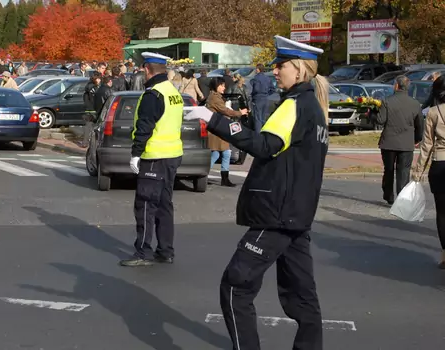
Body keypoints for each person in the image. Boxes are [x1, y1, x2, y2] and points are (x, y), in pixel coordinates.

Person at [185, 35, 329, 349]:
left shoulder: (293, 105)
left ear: (300, 70)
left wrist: (215, 119)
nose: (275, 71)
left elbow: (265, 146)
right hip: (296, 216)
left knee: (235, 287)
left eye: (282, 65)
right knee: (302, 298)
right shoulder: (315, 110)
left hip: (276, 216)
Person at [120, 52, 184, 267]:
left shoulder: (153, 94)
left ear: (147, 69)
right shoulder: (172, 91)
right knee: (165, 205)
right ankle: (166, 251)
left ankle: (143, 252)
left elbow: (144, 126)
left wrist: (136, 153)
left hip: (154, 156)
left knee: (146, 205)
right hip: (172, 155)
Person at [374, 75, 425, 205]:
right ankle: (402, 198)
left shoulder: (387, 101)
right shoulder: (415, 104)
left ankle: (388, 195)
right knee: (404, 171)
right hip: (407, 143)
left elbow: (381, 121)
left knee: (389, 169)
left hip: (389, 141)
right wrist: (417, 138)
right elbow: (420, 124)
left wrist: (373, 112)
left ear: (396, 85)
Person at [412, 76, 445, 268]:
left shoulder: (433, 112)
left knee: (442, 213)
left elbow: (426, 146)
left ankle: (444, 254)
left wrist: (418, 172)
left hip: (440, 165)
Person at [206, 77, 248, 187]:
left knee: (215, 154)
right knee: (226, 153)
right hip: (217, 129)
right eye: (222, 85)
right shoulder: (214, 98)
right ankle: (224, 179)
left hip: (216, 128)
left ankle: (203, 175)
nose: (224, 88)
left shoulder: (215, 97)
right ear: (216, 86)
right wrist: (239, 113)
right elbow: (225, 111)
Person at [250, 64, 274, 132]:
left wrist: (253, 96)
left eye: (256, 69)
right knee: (263, 118)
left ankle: (258, 136)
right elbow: (273, 89)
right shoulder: (268, 78)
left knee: (258, 119)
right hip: (265, 99)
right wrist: (266, 94)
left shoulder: (256, 78)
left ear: (258, 69)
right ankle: (264, 134)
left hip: (258, 99)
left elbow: (256, 89)